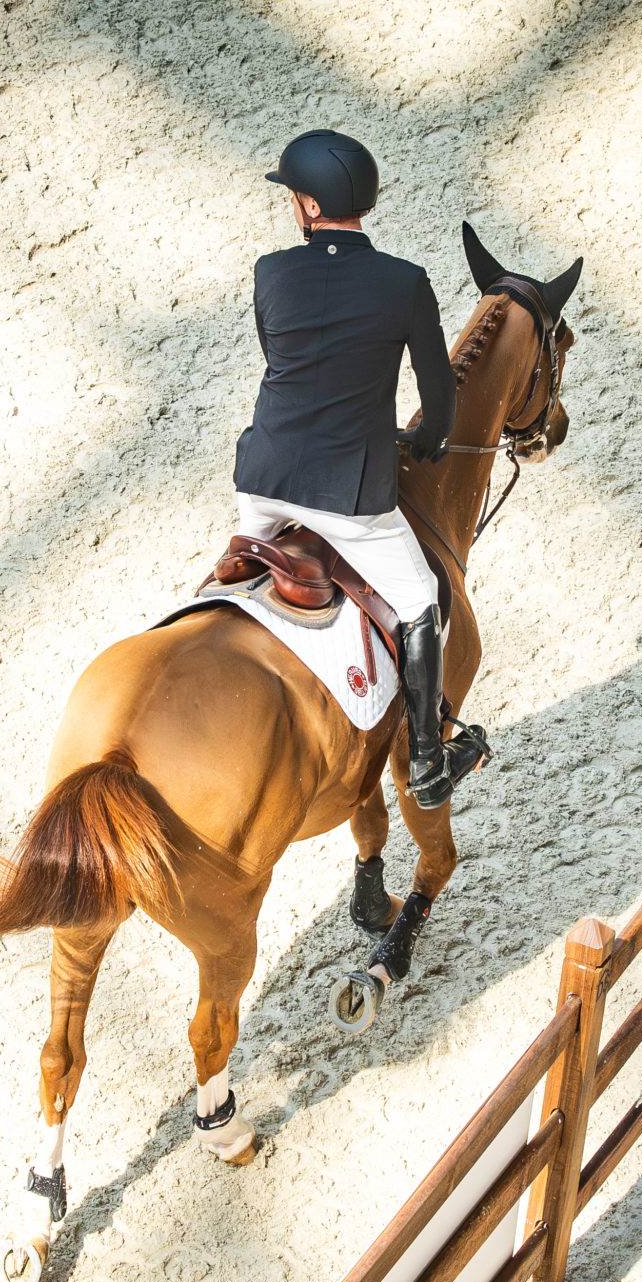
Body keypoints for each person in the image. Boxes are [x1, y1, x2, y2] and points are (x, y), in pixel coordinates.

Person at [221, 128, 482, 809]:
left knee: (242, 565)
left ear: (307, 206)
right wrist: (430, 437)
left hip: (265, 483)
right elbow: (439, 390)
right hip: (347, 494)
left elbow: (287, 362)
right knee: (422, 596)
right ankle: (426, 763)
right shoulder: (403, 283)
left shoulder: (270, 273)